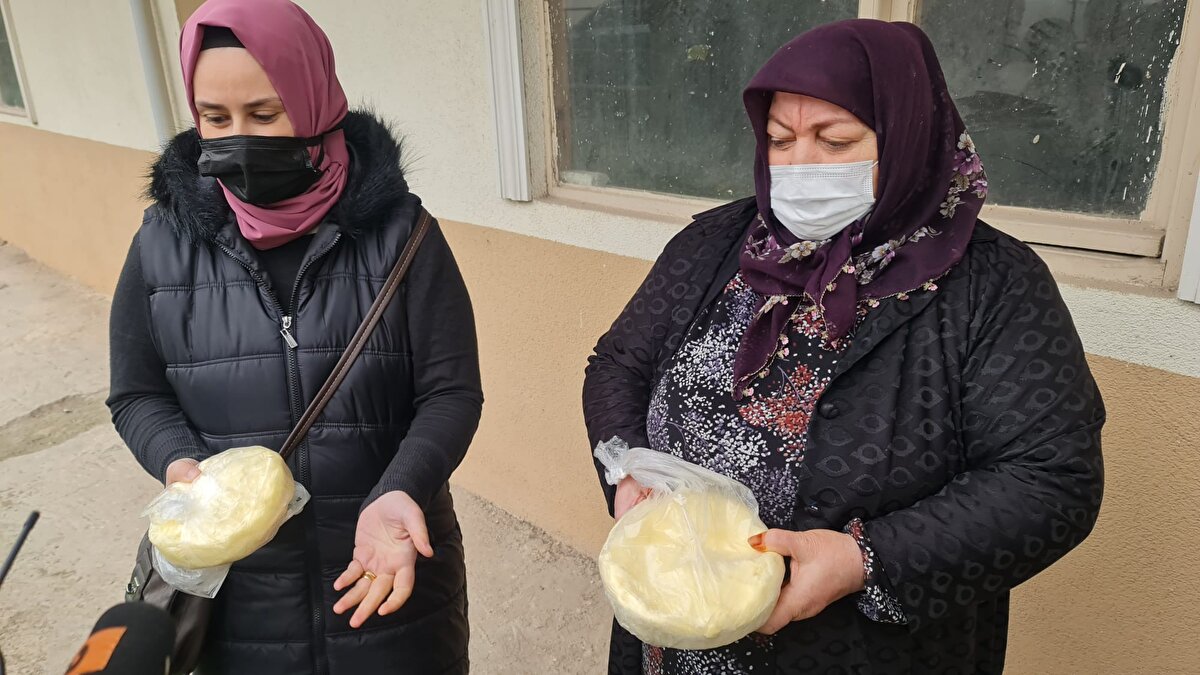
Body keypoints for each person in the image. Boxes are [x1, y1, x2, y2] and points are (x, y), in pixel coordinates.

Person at [582, 19, 1104, 674]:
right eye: (780, 140)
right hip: (676, 634)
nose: (800, 166)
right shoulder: (716, 245)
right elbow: (618, 362)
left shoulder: (993, 284)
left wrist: (865, 560)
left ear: (907, 134)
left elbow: (1052, 478)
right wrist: (628, 468)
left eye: (835, 141)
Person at [106, 1, 481, 672]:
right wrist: (181, 466)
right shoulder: (161, 244)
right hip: (241, 598)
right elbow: (136, 392)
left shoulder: (404, 234)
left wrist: (403, 487)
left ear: (312, 102)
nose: (239, 138)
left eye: (264, 113)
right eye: (215, 119)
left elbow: (451, 391)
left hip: (389, 578)